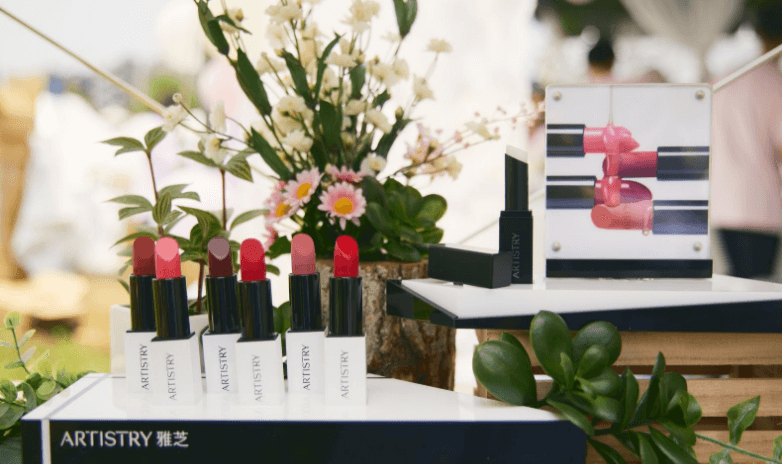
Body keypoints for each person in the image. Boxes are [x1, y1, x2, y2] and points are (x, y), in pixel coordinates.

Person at [711, 1, 782, 279]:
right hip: (762, 202)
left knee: (737, 279)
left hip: (724, 199)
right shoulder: (776, 84)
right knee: (758, 282)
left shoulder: (724, 79)